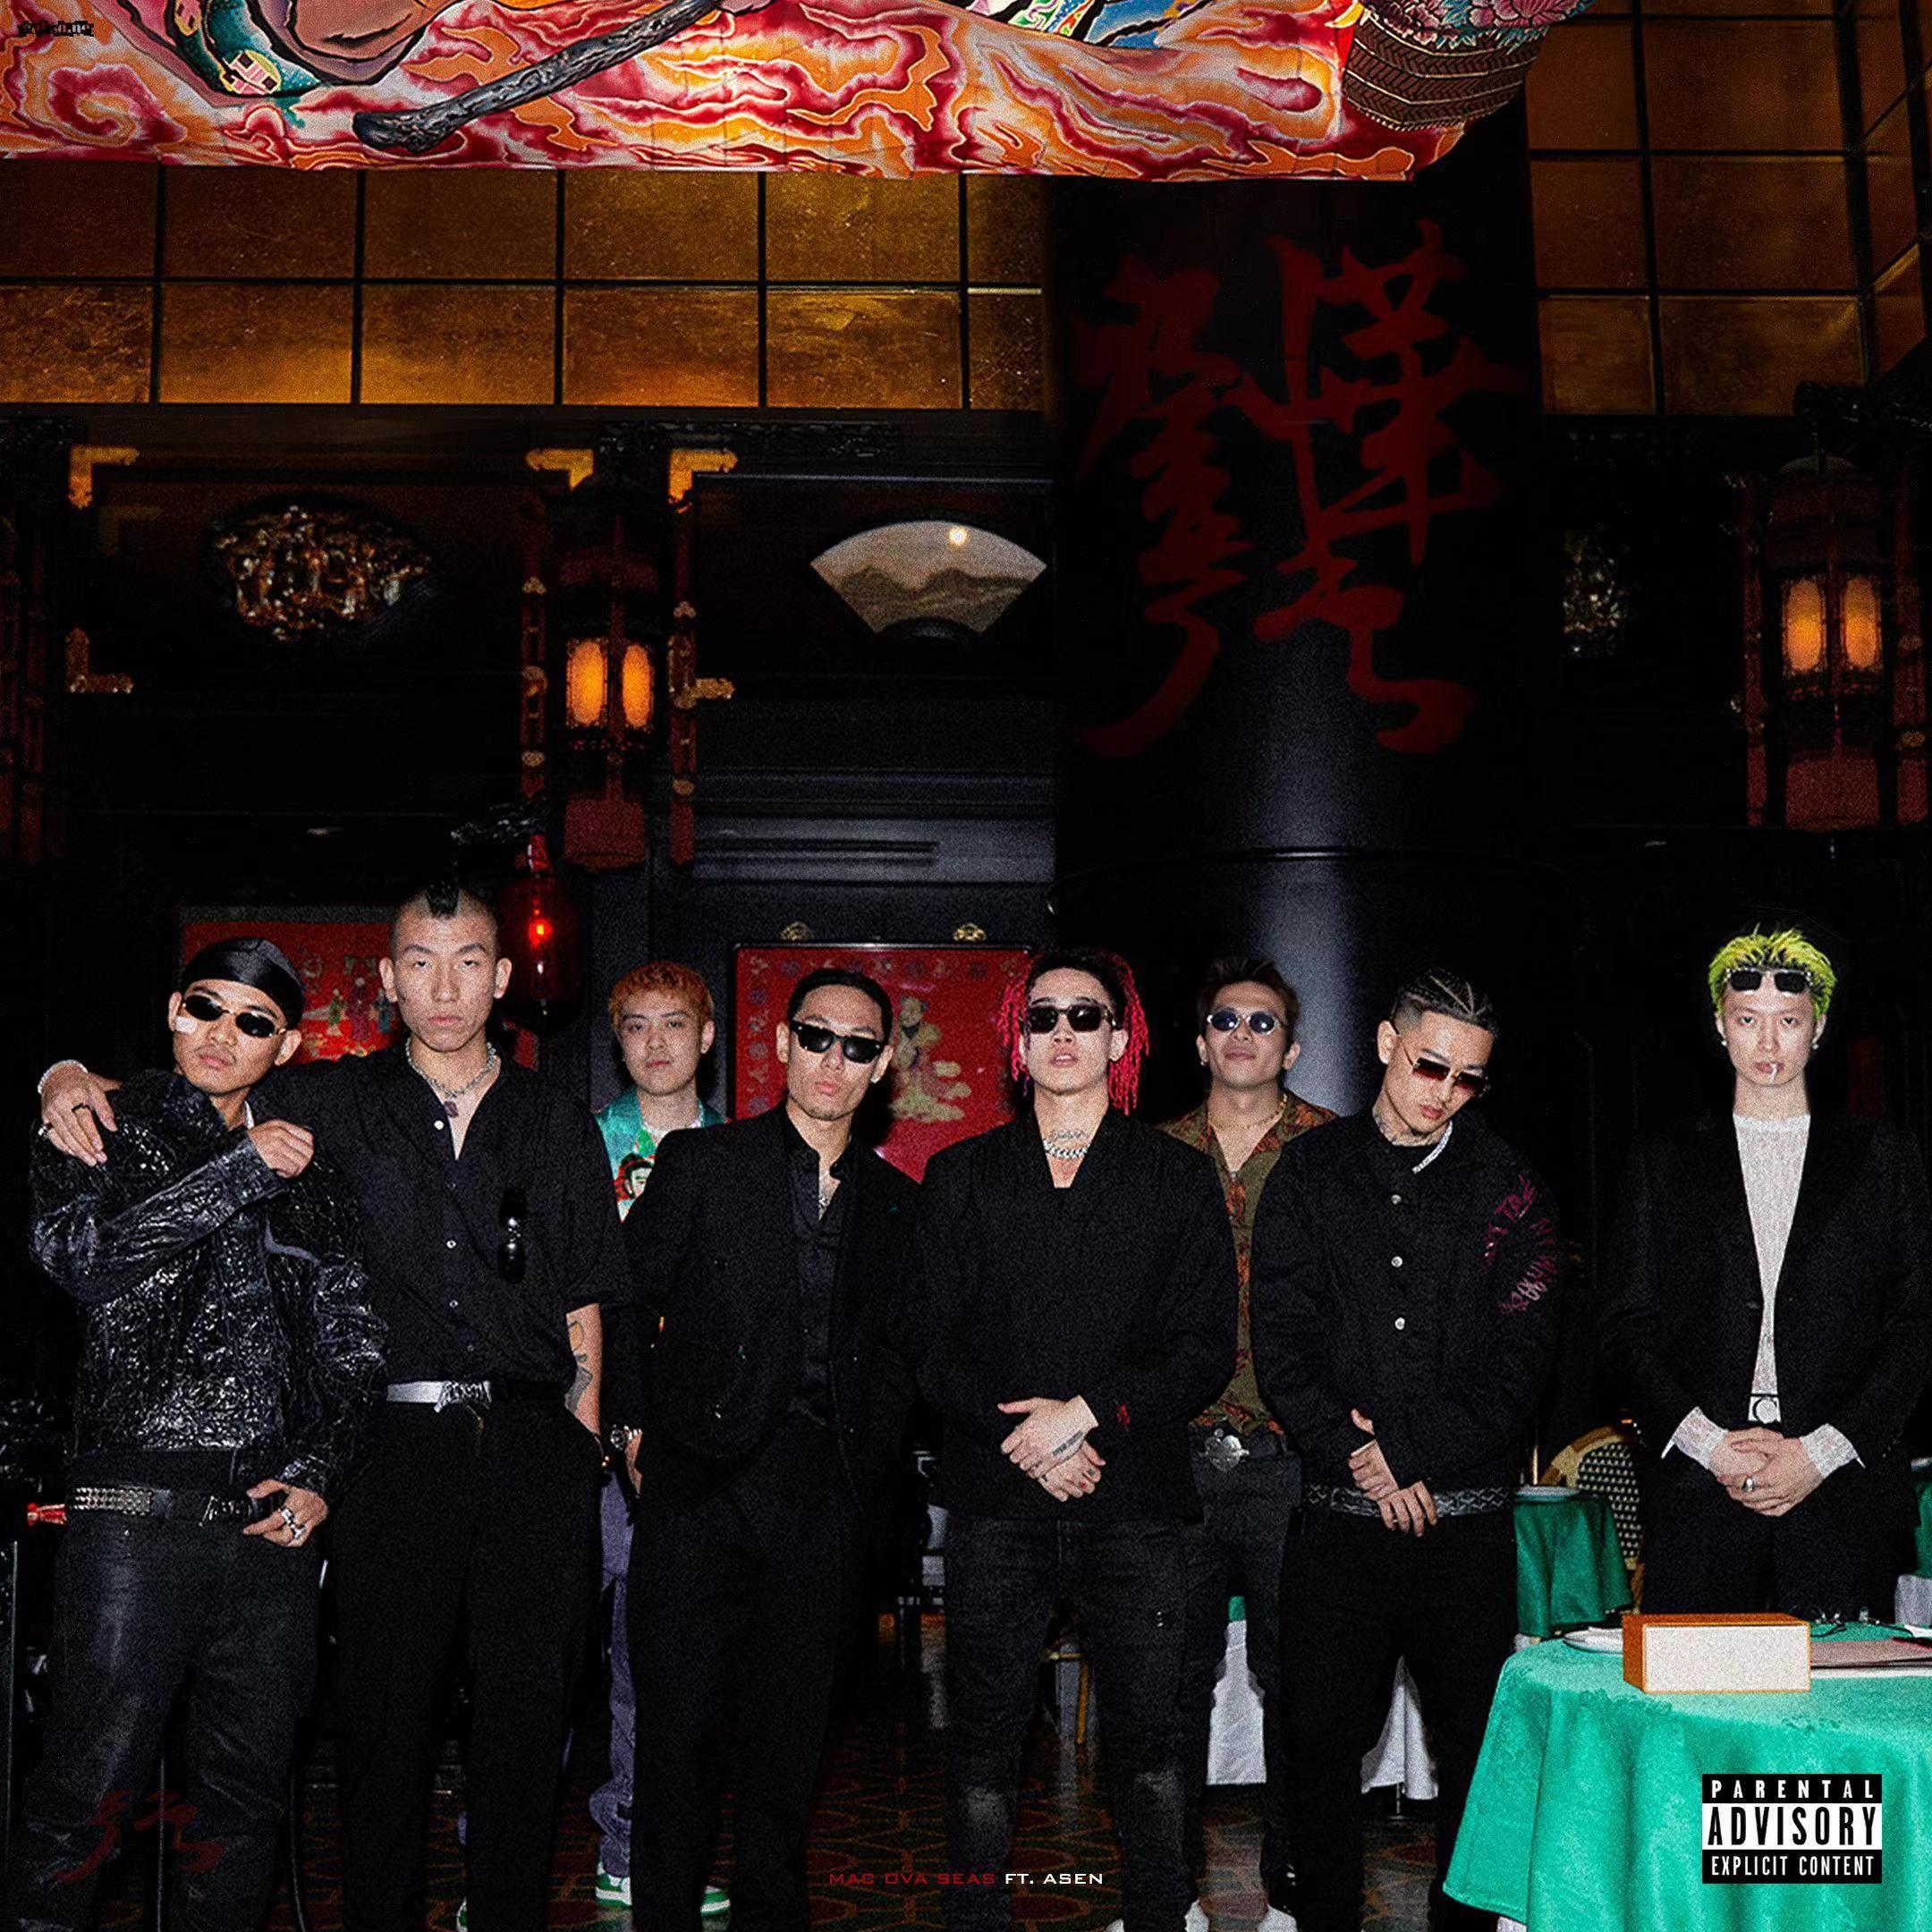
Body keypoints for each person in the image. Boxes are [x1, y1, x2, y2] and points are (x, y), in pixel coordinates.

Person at [38, 884, 627, 1932]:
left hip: (535, 1444)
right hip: (389, 1448)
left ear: (501, 977)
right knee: (383, 1729)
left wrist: (582, 1449)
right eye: (421, 962)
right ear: (390, 979)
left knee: (528, 1725)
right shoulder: (325, 1101)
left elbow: (584, 1296)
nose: (444, 986)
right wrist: (65, 1076)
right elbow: (207, 1076)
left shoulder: (556, 1118)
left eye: (467, 962)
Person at [10, 937, 385, 1932]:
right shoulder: (96, 1125)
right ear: (174, 1010)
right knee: (83, 1803)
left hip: (268, 1538)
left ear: (286, 1045)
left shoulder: (312, 1172)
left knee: (240, 1814)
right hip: (131, 1528)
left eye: (253, 1022)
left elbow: (354, 1346)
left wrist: (320, 1473)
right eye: (205, 1008)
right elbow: (84, 1264)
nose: (223, 1034)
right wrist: (235, 1171)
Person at [901, 947, 1237, 1932]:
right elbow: (927, 1343)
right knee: (981, 1750)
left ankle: (1160, 1915)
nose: (1061, 1033)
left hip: (1132, 1497)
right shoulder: (961, 1175)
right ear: (1018, 1038)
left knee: (1153, 1750)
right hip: (996, 1499)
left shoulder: (1177, 1177)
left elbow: (1202, 1348)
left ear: (1120, 1039)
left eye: (1084, 1016)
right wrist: (1028, 1439)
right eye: (1042, 1016)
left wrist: (1083, 1416)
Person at [604, 966, 919, 1932]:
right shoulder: (705, 1162)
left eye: (857, 1046)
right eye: (816, 1037)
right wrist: (631, 1429)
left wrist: (870, 1472)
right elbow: (624, 1299)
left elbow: (904, 1355)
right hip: (698, 1492)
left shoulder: (898, 1204)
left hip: (824, 1506)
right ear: (781, 1044)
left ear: (882, 1066)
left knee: (790, 1756)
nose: (833, 1060)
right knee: (677, 1744)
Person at [1251, 970, 1561, 1932]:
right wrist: (1360, 1458)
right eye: (1432, 1066)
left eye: (1470, 1079)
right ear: (1387, 1043)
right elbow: (1282, 1344)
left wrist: (1410, 1454)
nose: (1446, 1092)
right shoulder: (1308, 1173)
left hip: (1464, 1535)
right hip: (1337, 1529)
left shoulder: (1512, 1188)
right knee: (1317, 1747)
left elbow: (1521, 1366)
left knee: (1473, 1755)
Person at [1598, 926, 1932, 1618]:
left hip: (1842, 1498)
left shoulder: (1884, 1158)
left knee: (1841, 1687)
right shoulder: (1663, 1161)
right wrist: (1708, 1443)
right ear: (1721, 1025)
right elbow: (1626, 1327)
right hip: (1700, 1495)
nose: (1769, 1043)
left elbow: (1915, 1326)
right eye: (1749, 1020)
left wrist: (1824, 1451)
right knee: (1698, 1689)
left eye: (1789, 1021)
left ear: (1820, 1026)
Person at [1161, 959, 1334, 1932]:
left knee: (1300, 1689)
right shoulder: (1152, 1155)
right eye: (1225, 1020)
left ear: (1292, 1047)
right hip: (1173, 1459)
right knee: (1168, 1688)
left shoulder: (1333, 1152)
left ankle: (1293, 1897)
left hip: (1293, 1462)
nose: (1242, 1035)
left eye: (1262, 1022)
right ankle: (1168, 1894)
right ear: (1200, 1042)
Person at [590, 961, 727, 1915]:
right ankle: (498, 1862)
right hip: (578, 1421)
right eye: (636, 1026)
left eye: (674, 1024)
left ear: (706, 1036)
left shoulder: (745, 1151)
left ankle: (637, 1845)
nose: (655, 1043)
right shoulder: (578, 1144)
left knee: (663, 1658)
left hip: (692, 1438)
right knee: (538, 1656)